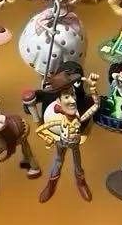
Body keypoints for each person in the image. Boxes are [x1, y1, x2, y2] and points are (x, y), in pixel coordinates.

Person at [36, 74, 100, 202]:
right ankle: (51, 184)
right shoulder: (59, 120)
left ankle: (81, 183)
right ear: (59, 101)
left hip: (75, 144)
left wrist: (93, 89)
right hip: (61, 142)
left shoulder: (79, 119)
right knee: (58, 160)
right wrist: (48, 138)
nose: (73, 100)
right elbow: (40, 129)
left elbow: (96, 106)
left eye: (73, 94)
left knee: (78, 164)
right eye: (66, 96)